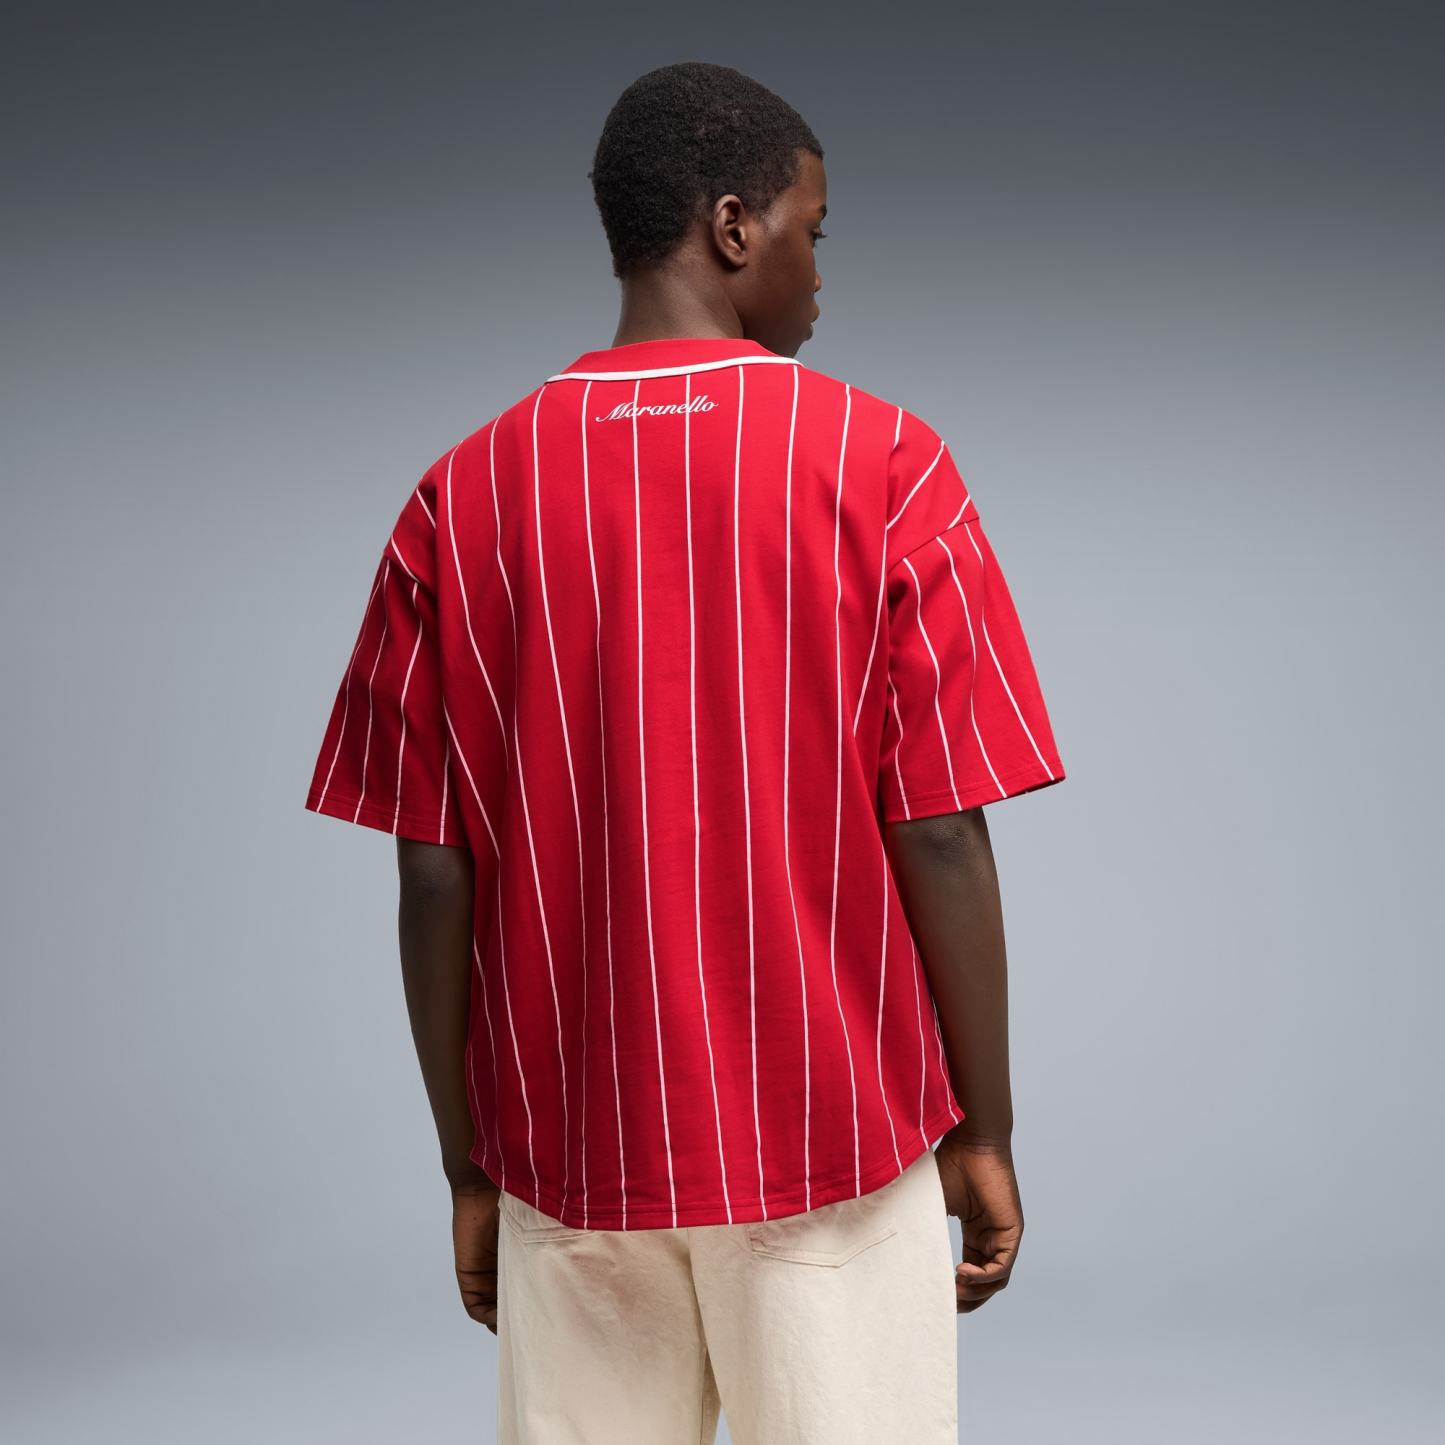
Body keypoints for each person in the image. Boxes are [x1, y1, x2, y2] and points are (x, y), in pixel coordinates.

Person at [303, 59, 1065, 1445]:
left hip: (567, 1153)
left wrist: (468, 1166)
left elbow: (431, 868)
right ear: (731, 226)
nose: (820, 272)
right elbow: (941, 827)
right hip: (833, 1141)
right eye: (811, 231)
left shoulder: (461, 496)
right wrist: (982, 1127)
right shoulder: (889, 465)